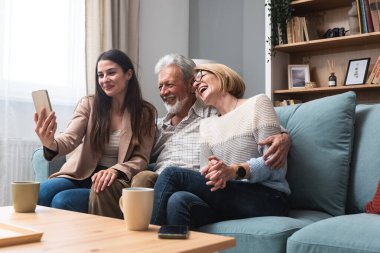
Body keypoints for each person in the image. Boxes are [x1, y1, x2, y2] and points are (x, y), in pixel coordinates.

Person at [91, 54, 291, 218]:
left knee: (164, 176)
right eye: (160, 86)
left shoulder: (221, 111)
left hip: (258, 192)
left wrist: (283, 135)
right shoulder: (185, 125)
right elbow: (207, 169)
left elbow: (264, 131)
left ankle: (144, 245)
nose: (163, 92)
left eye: (169, 84)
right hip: (212, 188)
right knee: (175, 199)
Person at [150, 63, 291, 228]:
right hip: (230, 197)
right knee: (178, 200)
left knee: (171, 174)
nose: (195, 84)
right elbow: (206, 174)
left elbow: (274, 166)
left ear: (222, 75)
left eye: (200, 76)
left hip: (268, 196)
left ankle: (146, 245)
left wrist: (233, 171)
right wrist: (214, 171)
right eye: (193, 84)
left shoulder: (258, 103)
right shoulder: (207, 124)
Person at [34, 49, 156, 216]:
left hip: (111, 180)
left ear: (128, 74)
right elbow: (71, 137)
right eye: (100, 75)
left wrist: (115, 170)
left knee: (62, 201)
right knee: (40, 193)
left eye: (111, 73)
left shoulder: (145, 113)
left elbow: (141, 158)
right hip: (79, 174)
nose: (105, 80)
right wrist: (50, 143)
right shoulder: (89, 104)